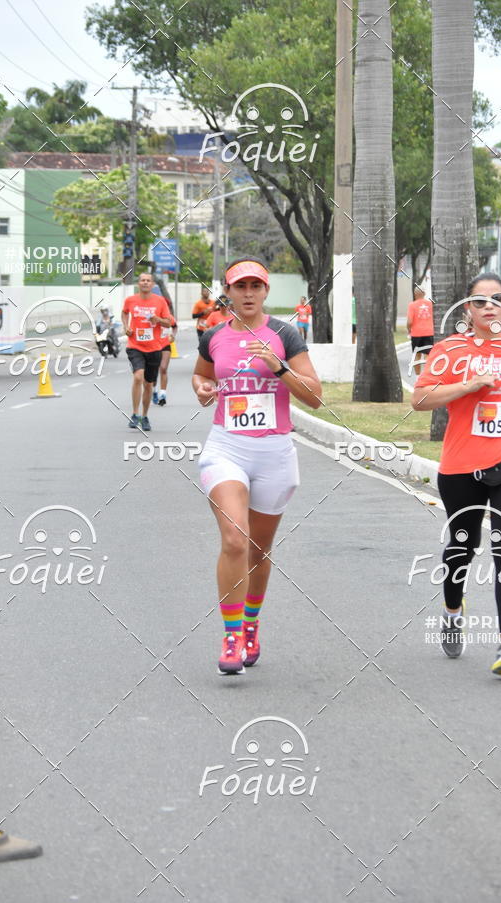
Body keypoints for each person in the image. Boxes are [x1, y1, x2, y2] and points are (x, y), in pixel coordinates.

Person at [192, 256, 322, 675]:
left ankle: (251, 623)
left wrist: (278, 367)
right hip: (226, 447)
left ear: (265, 291)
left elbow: (314, 396)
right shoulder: (213, 335)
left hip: (274, 451)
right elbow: (200, 375)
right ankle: (231, 636)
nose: (247, 294)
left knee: (258, 549)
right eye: (239, 286)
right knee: (234, 539)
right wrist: (203, 388)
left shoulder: (286, 333)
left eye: (255, 286)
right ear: (227, 292)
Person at [412, 272, 501, 677]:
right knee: (461, 548)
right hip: (462, 465)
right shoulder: (448, 350)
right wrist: (468, 384)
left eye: (498, 299)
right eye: (481, 301)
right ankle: (452, 611)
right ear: (467, 308)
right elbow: (420, 400)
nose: (490, 306)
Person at [121, 272, 174, 431]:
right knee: (138, 377)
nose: (145, 283)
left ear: (152, 284)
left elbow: (168, 323)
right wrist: (126, 326)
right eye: (142, 280)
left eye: (148, 281)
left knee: (149, 384)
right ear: (139, 283)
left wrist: (157, 320)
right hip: (135, 346)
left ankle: (144, 416)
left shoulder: (160, 301)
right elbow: (124, 312)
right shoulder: (130, 300)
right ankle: (135, 414)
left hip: (154, 348)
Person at [407, 286, 434, 375]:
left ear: (415, 294)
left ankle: (418, 377)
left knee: (417, 356)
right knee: (428, 355)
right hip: (429, 333)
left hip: (416, 334)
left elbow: (410, 321)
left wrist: (408, 330)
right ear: (424, 294)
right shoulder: (430, 304)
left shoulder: (412, 305)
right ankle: (427, 376)